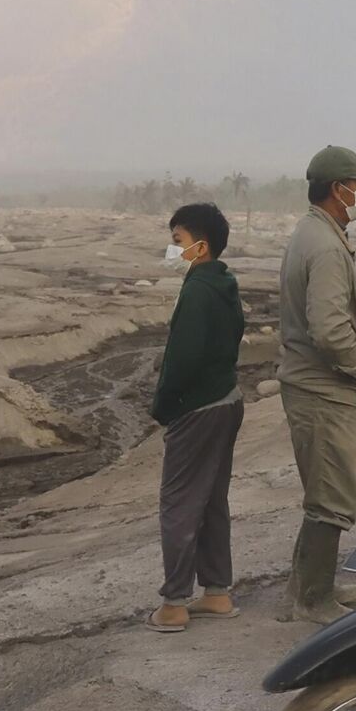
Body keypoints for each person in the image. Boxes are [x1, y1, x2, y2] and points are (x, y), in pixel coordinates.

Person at [277, 146, 356, 624]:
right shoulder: (322, 244)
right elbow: (328, 327)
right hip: (323, 389)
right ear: (338, 189)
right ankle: (313, 599)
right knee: (332, 497)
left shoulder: (314, 232)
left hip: (317, 388)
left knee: (328, 489)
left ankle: (305, 585)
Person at [145, 203, 248, 632]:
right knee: (211, 500)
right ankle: (217, 593)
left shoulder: (197, 291)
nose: (173, 250)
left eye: (178, 242)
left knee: (180, 504)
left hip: (198, 407)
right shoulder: (223, 281)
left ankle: (173, 604)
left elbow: (183, 360)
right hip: (227, 399)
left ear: (200, 246)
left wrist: (164, 407)